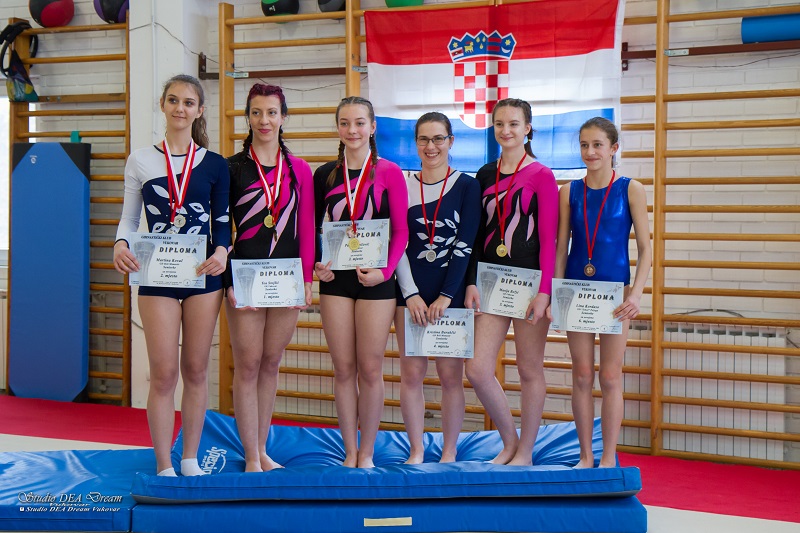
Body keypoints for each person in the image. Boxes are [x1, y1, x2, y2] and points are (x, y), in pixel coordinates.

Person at [113, 74, 230, 476]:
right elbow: (129, 219)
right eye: (174, 100)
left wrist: (222, 251)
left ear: (199, 110)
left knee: (196, 370)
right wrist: (120, 244)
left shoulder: (214, 164)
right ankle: (164, 463)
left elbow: (222, 221)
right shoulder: (140, 160)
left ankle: (190, 458)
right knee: (163, 374)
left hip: (202, 276)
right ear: (162, 104)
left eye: (189, 102)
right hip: (157, 274)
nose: (181, 108)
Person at [313, 96, 409, 468]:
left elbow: (401, 232)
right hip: (336, 280)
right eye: (345, 123)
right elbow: (313, 228)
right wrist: (316, 264)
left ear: (372, 127)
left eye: (359, 123)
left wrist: (386, 271)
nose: (352, 130)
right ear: (338, 127)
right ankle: (349, 450)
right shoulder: (325, 174)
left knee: (370, 369)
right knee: (343, 369)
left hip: (376, 281)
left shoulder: (390, 172)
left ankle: (366, 451)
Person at [224, 83, 315, 472]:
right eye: (257, 112)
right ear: (248, 117)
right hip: (244, 278)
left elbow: (307, 227)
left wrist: (307, 279)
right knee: (248, 364)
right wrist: (228, 281)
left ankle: (262, 449)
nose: (264, 120)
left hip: (286, 278)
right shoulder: (231, 168)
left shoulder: (299, 169)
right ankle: (250, 456)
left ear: (284, 117)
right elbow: (219, 229)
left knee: (271, 362)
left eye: (272, 112)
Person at [464, 98, 558, 465]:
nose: (506, 130)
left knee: (529, 369)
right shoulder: (485, 174)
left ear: (527, 128)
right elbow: (475, 235)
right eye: (499, 124)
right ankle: (509, 442)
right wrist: (472, 281)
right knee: (477, 368)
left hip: (530, 285)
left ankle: (527, 451)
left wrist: (545, 292)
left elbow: (549, 239)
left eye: (514, 124)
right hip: (491, 282)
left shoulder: (542, 175)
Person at [554, 117, 651, 468]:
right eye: (584, 145)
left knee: (610, 376)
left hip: (615, 296)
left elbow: (646, 248)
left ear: (613, 148)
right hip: (577, 291)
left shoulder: (630, 189)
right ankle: (585, 454)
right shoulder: (569, 191)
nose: (590, 152)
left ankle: (609, 455)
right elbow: (561, 246)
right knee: (581, 374)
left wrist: (635, 294)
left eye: (597, 145)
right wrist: (557, 293)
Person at [394, 112, 481, 464]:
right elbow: (397, 243)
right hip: (410, 293)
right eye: (424, 139)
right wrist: (410, 293)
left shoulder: (467, 186)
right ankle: (416, 449)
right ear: (416, 143)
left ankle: (449, 450)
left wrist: (447, 296)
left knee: (450, 376)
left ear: (451, 141)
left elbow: (465, 244)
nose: (431, 147)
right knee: (412, 374)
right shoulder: (402, 183)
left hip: (452, 294)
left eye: (438, 139)